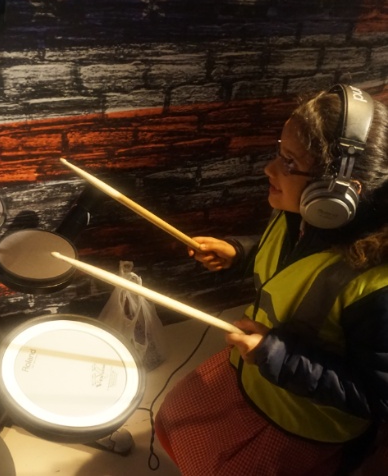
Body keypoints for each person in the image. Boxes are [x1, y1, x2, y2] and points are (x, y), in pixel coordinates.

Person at [154, 84, 388, 475]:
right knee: (175, 416)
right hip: (256, 367)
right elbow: (291, 264)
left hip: (300, 415)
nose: (270, 168)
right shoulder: (302, 214)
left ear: (338, 191)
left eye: (288, 162)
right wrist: (239, 252)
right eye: (280, 152)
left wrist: (279, 356)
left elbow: (376, 397)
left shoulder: (377, 287)